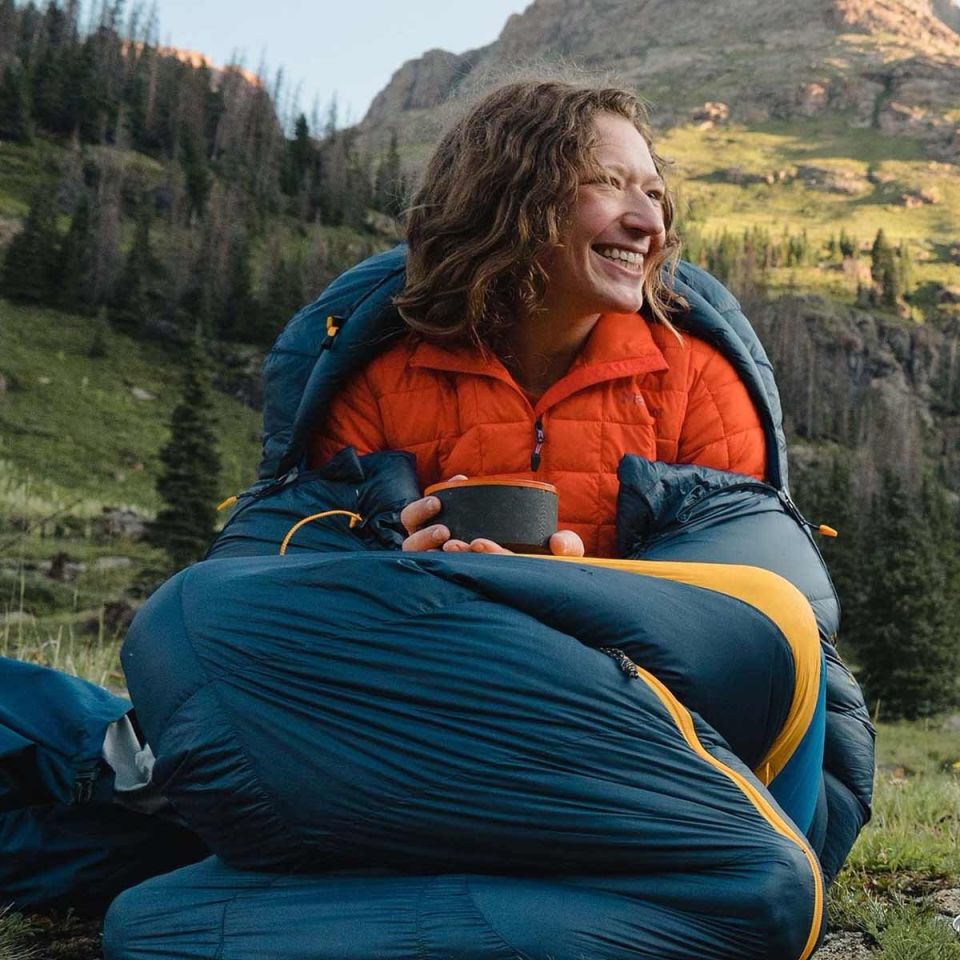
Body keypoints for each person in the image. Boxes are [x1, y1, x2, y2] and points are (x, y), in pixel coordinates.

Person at [309, 80, 766, 558]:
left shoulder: (699, 385)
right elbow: (314, 571)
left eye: (653, 193)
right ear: (505, 199)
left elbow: (743, 580)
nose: (651, 224)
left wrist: (573, 589)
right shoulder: (376, 389)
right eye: (608, 182)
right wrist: (401, 566)